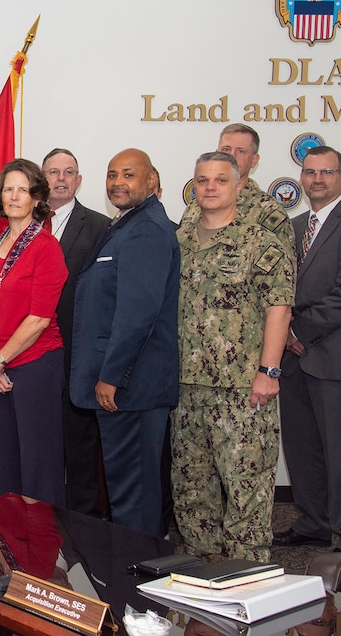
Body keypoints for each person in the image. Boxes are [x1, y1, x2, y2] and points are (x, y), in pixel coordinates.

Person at [173, 151, 294, 561]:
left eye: (220, 180)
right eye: (202, 179)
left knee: (246, 491)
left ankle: (248, 580)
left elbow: (279, 307)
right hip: (186, 389)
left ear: (240, 185)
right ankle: (200, 572)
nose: (210, 187)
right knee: (191, 489)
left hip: (242, 389)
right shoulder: (181, 239)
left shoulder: (260, 241)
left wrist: (268, 370)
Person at [69, 149, 180, 538]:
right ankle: (135, 571)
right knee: (128, 487)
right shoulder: (128, 223)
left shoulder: (146, 228)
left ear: (152, 181)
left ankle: (137, 581)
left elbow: (138, 314)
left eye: (129, 174)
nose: (118, 181)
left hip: (131, 386)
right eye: (112, 174)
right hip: (128, 385)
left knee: (134, 493)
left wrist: (112, 376)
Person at [0, 158, 68, 506]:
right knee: (4, 465)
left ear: (37, 199)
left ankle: (40, 552)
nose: (13, 196)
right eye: (8, 189)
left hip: (34, 366)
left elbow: (39, 318)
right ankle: (10, 542)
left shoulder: (46, 248)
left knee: (37, 467)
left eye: (22, 190)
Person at [277, 145, 341, 549]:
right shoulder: (296, 225)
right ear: (301, 178)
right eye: (311, 172)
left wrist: (299, 332)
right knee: (302, 447)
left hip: (330, 355)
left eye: (327, 172)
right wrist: (284, 332)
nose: (317, 179)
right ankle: (313, 523)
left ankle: (338, 530)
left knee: (336, 450)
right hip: (291, 357)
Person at [40, 148, 109, 516]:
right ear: (42, 179)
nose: (61, 178)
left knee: (79, 441)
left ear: (79, 181)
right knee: (41, 440)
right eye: (53, 172)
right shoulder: (24, 224)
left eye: (69, 172)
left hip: (76, 351)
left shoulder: (99, 226)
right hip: (31, 352)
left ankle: (83, 519)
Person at [180, 125, 293, 243]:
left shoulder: (269, 210)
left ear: (254, 160)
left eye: (240, 151)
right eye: (226, 149)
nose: (231, 156)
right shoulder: (197, 204)